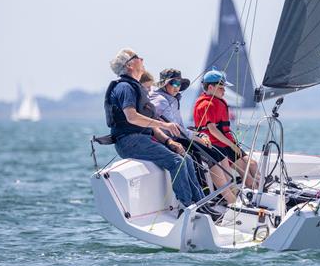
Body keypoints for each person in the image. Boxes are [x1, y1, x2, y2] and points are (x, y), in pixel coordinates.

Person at [104, 48, 204, 208]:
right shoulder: (125, 87)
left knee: (187, 158)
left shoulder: (136, 87)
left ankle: (201, 203)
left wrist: (169, 141)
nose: (142, 59)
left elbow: (148, 123)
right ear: (129, 65)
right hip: (130, 141)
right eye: (138, 57)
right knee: (177, 162)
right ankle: (187, 206)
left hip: (142, 139)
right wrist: (165, 125)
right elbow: (132, 117)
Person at [149, 68, 238, 204]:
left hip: (179, 137)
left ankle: (228, 196)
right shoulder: (160, 101)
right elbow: (176, 129)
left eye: (179, 84)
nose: (177, 87)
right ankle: (226, 200)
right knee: (206, 155)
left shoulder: (172, 98)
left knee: (216, 153)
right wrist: (197, 137)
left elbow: (180, 127)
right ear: (164, 84)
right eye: (174, 84)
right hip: (169, 140)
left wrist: (198, 135)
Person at [193, 70, 259, 189]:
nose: (224, 91)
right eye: (221, 88)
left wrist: (232, 144)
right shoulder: (206, 104)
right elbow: (212, 130)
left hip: (228, 143)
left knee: (253, 164)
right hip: (219, 146)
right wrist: (231, 145)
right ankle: (255, 198)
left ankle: (262, 190)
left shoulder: (217, 102)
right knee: (246, 174)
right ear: (211, 87)